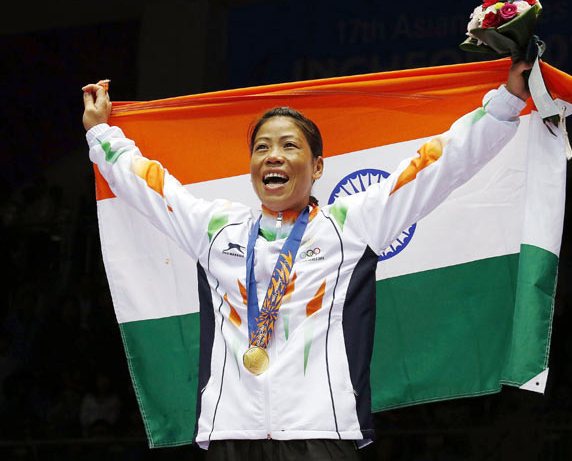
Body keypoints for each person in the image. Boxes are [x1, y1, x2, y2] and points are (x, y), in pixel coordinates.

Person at [82, 61, 531, 460]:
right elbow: (148, 184)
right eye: (261, 147)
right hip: (231, 430)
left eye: (289, 146)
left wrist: (506, 102)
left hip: (322, 430)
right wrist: (101, 132)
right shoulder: (214, 228)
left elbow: (435, 166)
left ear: (317, 167)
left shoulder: (351, 224)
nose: (273, 155)